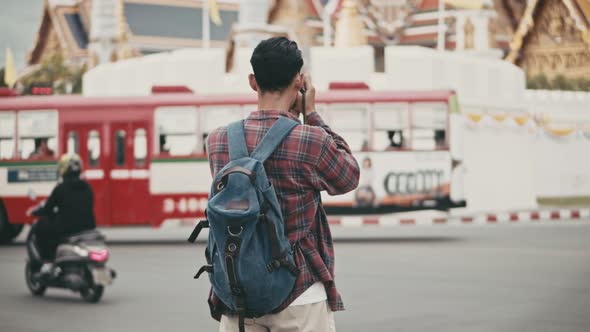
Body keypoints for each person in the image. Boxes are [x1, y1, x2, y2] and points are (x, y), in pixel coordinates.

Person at [206, 37, 360, 331]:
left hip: (238, 292)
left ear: (253, 81)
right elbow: (348, 177)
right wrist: (311, 114)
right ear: (299, 81)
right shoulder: (310, 141)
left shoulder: (218, 141)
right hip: (298, 291)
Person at [28, 154, 96, 262]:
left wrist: (35, 212)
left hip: (67, 228)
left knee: (42, 226)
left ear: (63, 168)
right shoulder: (87, 187)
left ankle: (48, 260)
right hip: (89, 227)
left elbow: (47, 209)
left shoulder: (61, 188)